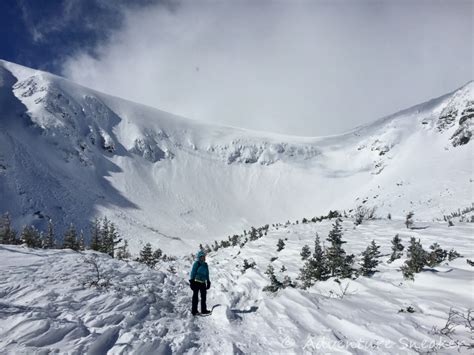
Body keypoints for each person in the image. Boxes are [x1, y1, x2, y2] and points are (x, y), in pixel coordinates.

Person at [189, 250, 211, 315]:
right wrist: (191, 281)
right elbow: (193, 272)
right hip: (196, 282)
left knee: (203, 297)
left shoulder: (205, 265)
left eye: (204, 256)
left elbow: (207, 274)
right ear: (199, 257)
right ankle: (194, 310)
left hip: (203, 283)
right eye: (202, 256)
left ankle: (203, 310)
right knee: (195, 297)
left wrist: (208, 281)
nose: (203, 258)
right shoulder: (197, 263)